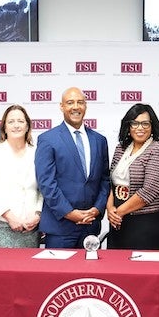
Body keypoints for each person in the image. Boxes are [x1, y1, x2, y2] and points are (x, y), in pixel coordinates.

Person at [36, 87, 111, 249]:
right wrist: (69, 213)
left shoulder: (99, 140)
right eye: (70, 102)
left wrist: (97, 209)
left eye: (80, 102)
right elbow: (46, 183)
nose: (75, 107)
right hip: (60, 227)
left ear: (85, 106)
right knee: (57, 275)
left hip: (90, 227)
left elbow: (105, 180)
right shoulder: (47, 139)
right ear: (61, 106)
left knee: (89, 274)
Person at [105, 104, 159, 250]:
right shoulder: (121, 148)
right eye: (134, 123)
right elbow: (110, 183)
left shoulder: (158, 150)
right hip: (118, 222)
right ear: (128, 126)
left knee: (144, 270)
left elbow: (149, 192)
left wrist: (118, 212)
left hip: (146, 224)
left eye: (145, 123)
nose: (140, 128)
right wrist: (110, 209)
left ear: (152, 125)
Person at [0, 105, 43, 248]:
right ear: (4, 127)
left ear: (27, 126)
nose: (16, 125)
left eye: (20, 121)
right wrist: (10, 217)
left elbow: (43, 189)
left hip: (29, 226)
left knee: (26, 268)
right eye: (11, 121)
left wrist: (37, 215)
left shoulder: (38, 153)